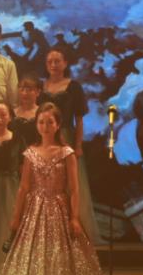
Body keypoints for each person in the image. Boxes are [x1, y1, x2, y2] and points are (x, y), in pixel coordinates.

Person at [0, 104, 110, 275]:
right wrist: (16, 218)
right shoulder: (30, 153)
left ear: (58, 125)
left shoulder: (66, 153)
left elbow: (74, 189)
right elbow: (24, 188)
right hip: (34, 212)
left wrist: (74, 217)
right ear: (36, 125)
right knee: (31, 264)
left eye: (50, 122)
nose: (45, 126)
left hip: (59, 209)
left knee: (62, 263)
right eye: (41, 122)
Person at [38, 49, 98, 241]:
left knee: (70, 183)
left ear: (65, 63)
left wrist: (78, 145)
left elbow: (79, 119)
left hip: (66, 138)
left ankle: (75, 228)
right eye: (50, 61)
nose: (53, 65)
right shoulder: (41, 86)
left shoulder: (74, 87)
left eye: (57, 61)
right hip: (45, 138)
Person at [0, 101, 25, 273]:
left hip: (10, 188)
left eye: (3, 115)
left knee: (8, 227)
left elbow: (23, 170)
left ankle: (8, 273)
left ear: (10, 117)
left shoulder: (18, 139)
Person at [10, 76, 41, 147]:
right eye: (22, 90)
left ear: (38, 92)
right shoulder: (12, 113)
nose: (25, 93)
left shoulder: (42, 113)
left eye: (29, 90)